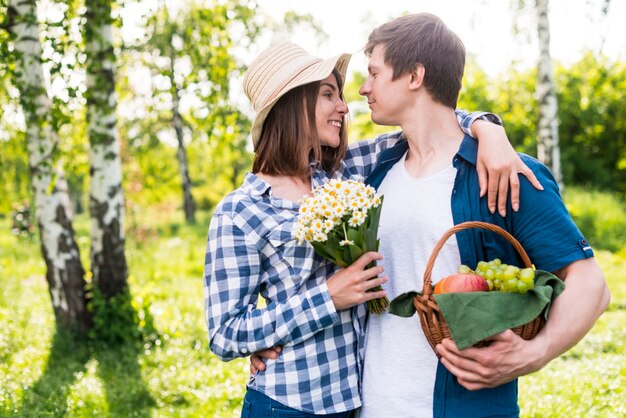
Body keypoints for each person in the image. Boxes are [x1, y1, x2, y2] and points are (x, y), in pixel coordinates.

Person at [204, 42, 540, 417]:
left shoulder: (346, 172)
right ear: (291, 104)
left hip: (359, 403)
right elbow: (224, 334)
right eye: (328, 95)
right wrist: (329, 296)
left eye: (341, 95)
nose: (344, 107)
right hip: (289, 405)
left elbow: (432, 119)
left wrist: (487, 128)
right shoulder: (240, 211)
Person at [355, 13, 610, 417]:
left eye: (374, 73)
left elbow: (590, 283)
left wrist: (535, 353)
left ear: (414, 76)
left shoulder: (504, 174)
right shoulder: (374, 174)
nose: (363, 88)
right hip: (371, 406)